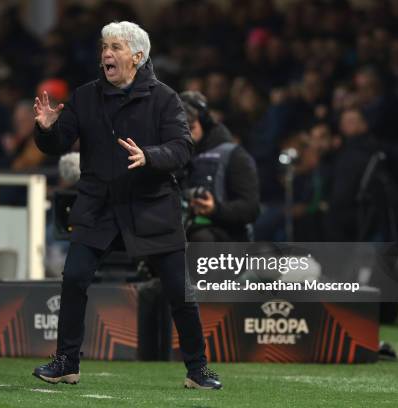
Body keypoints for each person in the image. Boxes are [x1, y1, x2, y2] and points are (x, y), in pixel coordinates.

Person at [32, 21, 221, 390]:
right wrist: (46, 128)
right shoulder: (85, 96)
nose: (106, 53)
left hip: (152, 206)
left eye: (115, 47)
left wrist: (149, 156)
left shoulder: (165, 98)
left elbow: (183, 148)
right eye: (104, 46)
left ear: (137, 56)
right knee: (74, 279)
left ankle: (198, 369)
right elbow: (57, 144)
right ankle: (67, 362)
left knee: (179, 291)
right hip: (98, 205)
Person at [180, 91, 260, 242]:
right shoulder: (175, 155)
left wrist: (215, 209)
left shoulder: (234, 156)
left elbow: (251, 209)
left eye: (190, 128)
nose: (185, 136)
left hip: (223, 237)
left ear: (204, 123)